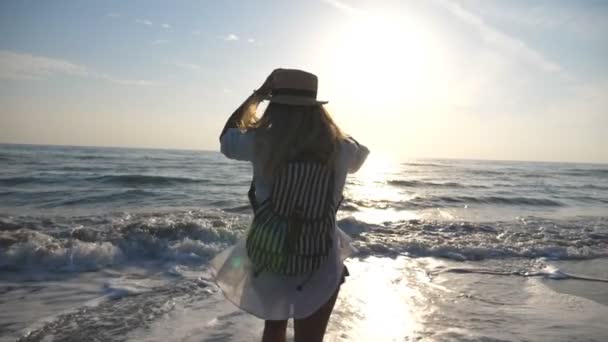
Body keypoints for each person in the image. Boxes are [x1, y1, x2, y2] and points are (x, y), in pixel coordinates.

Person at [211, 68, 369, 342]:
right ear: (316, 108)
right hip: (321, 258)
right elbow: (362, 152)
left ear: (275, 105)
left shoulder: (259, 141)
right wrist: (331, 127)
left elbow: (226, 139)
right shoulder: (341, 148)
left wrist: (257, 96)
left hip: (270, 255)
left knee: (273, 330)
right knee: (311, 339)